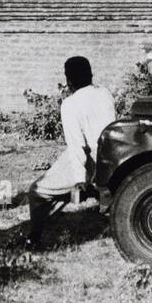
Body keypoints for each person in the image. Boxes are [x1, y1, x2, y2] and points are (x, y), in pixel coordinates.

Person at [26, 56, 116, 249]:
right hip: (113, 155)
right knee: (61, 184)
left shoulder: (70, 104)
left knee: (37, 192)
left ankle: (34, 238)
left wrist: (80, 180)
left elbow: (76, 145)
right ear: (91, 75)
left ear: (69, 81)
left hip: (91, 158)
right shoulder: (105, 93)